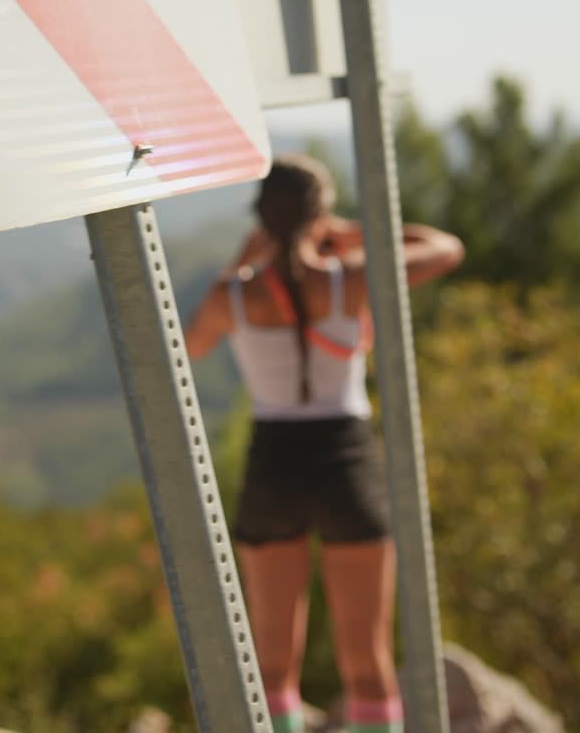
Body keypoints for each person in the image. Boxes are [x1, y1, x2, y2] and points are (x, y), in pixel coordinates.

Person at [184, 154, 464, 733]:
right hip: (347, 463)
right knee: (366, 661)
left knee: (270, 664)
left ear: (261, 218)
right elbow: (445, 247)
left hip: (272, 466)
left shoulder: (231, 297)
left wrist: (248, 257)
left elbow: (186, 350)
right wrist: (349, 233)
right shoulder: (351, 277)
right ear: (321, 214)